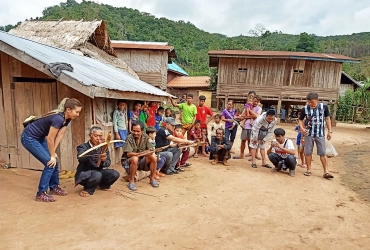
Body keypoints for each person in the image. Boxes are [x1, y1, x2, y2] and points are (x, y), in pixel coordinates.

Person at [21, 98, 82, 202]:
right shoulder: (58, 119)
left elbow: (60, 135)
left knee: (55, 161)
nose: (78, 114)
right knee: (49, 163)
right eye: (77, 112)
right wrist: (52, 155)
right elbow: (50, 138)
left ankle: (54, 187)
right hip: (29, 138)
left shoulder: (67, 119)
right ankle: (41, 193)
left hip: (39, 138)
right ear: (68, 110)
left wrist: (53, 152)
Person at [75, 127, 120, 196]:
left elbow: (108, 163)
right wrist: (94, 148)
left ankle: (103, 185)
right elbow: (80, 158)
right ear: (90, 136)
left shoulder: (103, 147)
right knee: (97, 175)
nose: (98, 138)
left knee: (115, 174)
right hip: (84, 174)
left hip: (98, 173)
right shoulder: (83, 146)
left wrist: (103, 160)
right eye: (96, 136)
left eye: (100, 136)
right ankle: (88, 189)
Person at [299, 92, 333, 179]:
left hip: (320, 134)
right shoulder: (305, 109)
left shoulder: (324, 107)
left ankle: (326, 172)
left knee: (322, 153)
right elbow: (300, 120)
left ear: (317, 100)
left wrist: (330, 131)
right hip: (308, 134)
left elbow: (327, 118)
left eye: (312, 102)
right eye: (309, 102)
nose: (310, 104)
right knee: (308, 152)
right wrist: (302, 129)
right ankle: (308, 169)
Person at [121, 120, 158, 191]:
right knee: (134, 158)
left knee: (153, 157)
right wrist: (141, 153)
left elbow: (150, 148)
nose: (135, 133)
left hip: (141, 161)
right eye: (133, 131)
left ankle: (152, 179)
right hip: (127, 164)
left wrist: (150, 151)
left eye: (138, 131)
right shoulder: (129, 138)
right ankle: (131, 181)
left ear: (142, 131)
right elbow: (128, 154)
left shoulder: (146, 137)